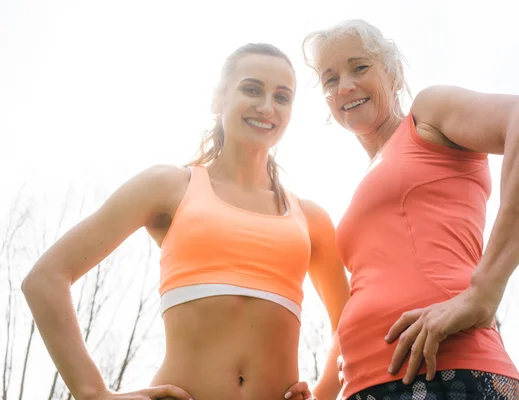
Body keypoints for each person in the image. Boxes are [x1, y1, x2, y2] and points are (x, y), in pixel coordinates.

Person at [21, 43, 349, 400]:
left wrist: (324, 394)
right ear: (217, 100)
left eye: (282, 97)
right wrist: (93, 392)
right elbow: (45, 279)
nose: (267, 106)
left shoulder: (310, 218)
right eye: (251, 89)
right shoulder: (168, 187)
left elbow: (349, 323)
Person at [303, 20, 519, 399]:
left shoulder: (427, 114)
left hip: (445, 369)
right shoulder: (367, 181)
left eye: (360, 67)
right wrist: (321, 393)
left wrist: (483, 292)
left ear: (394, 73)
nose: (344, 86)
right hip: (364, 385)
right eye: (329, 79)